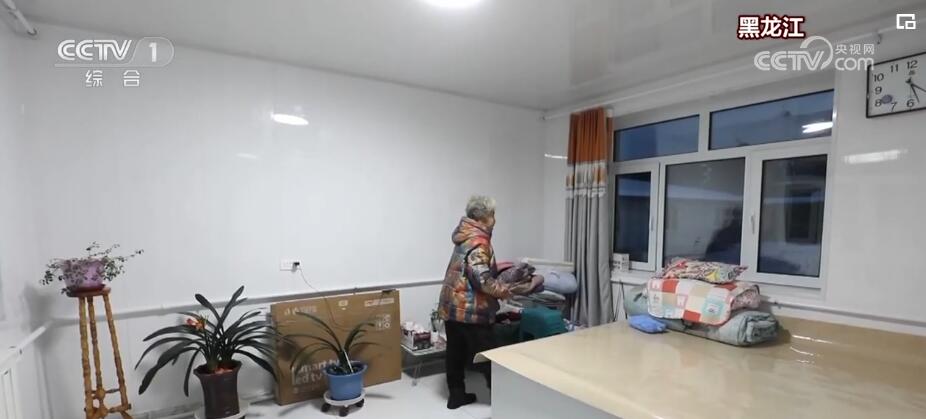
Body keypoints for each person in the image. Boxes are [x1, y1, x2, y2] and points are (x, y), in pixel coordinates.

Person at [437, 195, 511, 409]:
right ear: (483, 217)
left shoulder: (464, 236)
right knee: (489, 356)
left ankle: (456, 396)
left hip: (452, 306)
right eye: (493, 214)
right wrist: (504, 291)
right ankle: (504, 403)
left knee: (455, 353)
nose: (495, 219)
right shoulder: (479, 241)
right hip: (470, 310)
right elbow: (482, 280)